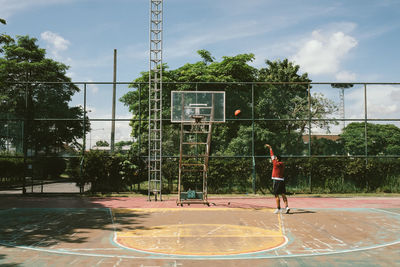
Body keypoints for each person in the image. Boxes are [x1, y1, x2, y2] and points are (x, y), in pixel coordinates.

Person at [265, 144, 290, 214]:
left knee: (276, 195)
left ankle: (278, 208)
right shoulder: (282, 164)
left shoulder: (275, 163)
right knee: (283, 194)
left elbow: (272, 156)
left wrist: (270, 148)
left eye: (276, 158)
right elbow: (273, 157)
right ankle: (287, 207)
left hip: (277, 181)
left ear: (277, 159)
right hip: (282, 181)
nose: (274, 158)